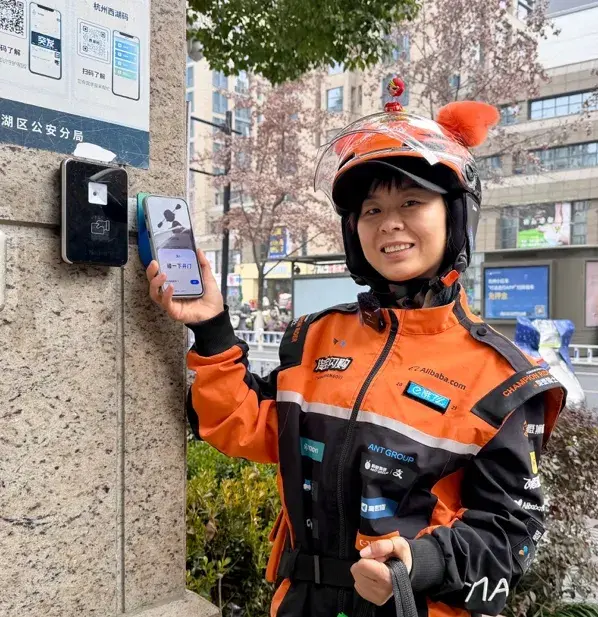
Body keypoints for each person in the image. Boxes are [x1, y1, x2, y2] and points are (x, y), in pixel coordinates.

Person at [145, 99, 566, 617]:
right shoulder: (316, 337)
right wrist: (211, 327)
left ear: (457, 216)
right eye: (372, 210)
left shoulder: (500, 376)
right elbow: (245, 425)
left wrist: (420, 563)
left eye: (412, 201)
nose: (389, 223)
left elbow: (511, 534)